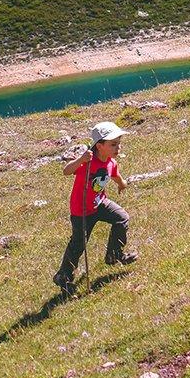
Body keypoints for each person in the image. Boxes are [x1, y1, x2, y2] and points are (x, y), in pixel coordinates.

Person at [53, 121, 138, 292]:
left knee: (121, 218)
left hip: (100, 203)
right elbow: (66, 171)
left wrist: (121, 183)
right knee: (78, 244)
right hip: (82, 211)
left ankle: (114, 254)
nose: (118, 147)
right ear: (99, 146)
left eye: (118, 143)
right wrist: (80, 159)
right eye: (113, 144)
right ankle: (63, 276)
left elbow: (114, 174)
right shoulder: (87, 162)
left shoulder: (110, 162)